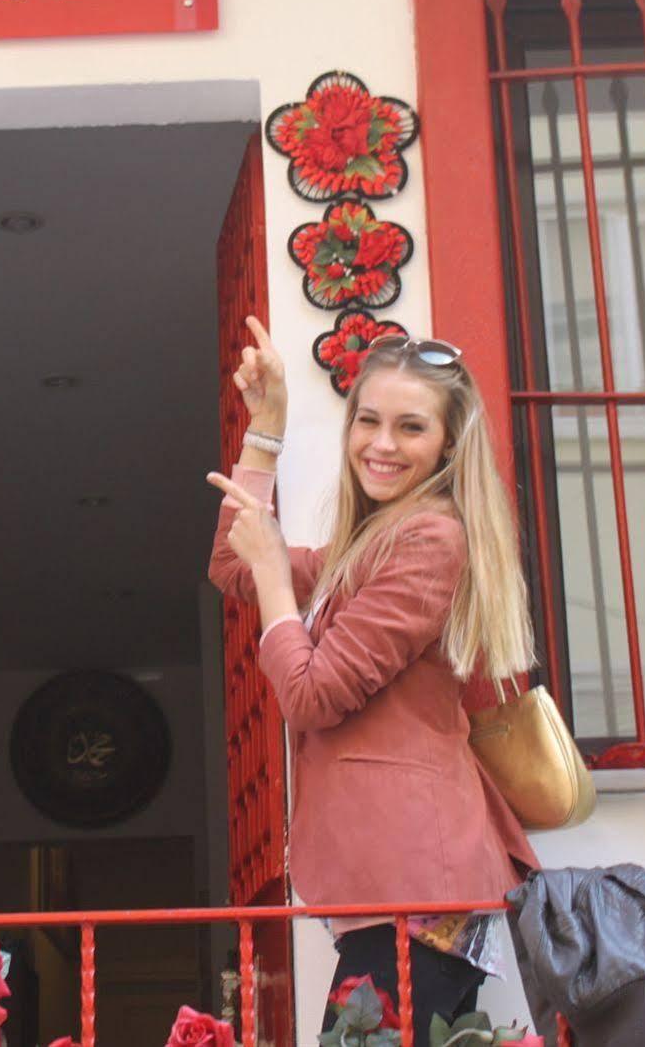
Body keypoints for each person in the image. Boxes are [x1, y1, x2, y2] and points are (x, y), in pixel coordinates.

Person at [206, 317, 539, 1034]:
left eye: (410, 428)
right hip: (401, 886)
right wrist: (266, 426)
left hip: (419, 890)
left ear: (448, 443)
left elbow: (311, 695)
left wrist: (272, 572)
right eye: (368, 421)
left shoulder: (430, 540)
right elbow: (234, 564)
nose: (381, 445)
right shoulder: (370, 543)